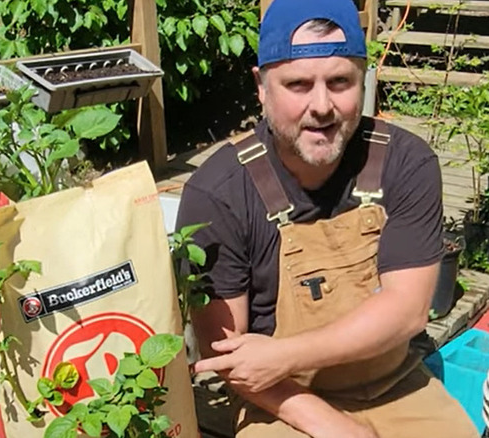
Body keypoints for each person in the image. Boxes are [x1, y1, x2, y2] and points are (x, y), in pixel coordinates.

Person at [177, 0, 479, 436]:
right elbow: (228, 355)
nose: (322, 106)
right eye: (298, 84)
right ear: (262, 86)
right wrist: (333, 425)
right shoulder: (217, 192)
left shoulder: (406, 162)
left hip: (396, 383)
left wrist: (285, 354)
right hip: (280, 398)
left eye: (340, 81)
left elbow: (408, 311)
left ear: (364, 79)